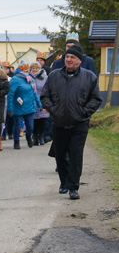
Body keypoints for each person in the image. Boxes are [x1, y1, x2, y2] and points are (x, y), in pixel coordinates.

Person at [40, 45, 102, 199]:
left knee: (75, 155)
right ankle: (64, 182)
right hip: (59, 123)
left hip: (79, 123)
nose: (68, 59)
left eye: (72, 57)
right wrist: (53, 110)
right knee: (60, 155)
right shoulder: (54, 76)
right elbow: (44, 96)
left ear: (79, 61)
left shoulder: (89, 77)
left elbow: (95, 99)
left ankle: (73, 187)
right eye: (67, 57)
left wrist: (84, 112)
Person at [7, 62, 42, 149]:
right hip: (18, 106)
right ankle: (16, 141)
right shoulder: (15, 80)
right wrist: (10, 108)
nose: (27, 71)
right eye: (25, 70)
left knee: (30, 126)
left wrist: (39, 104)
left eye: (27, 70)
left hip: (30, 106)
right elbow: (10, 95)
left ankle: (29, 137)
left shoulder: (30, 79)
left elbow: (34, 93)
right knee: (17, 125)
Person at [29, 61, 50, 145]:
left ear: (39, 68)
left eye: (36, 68)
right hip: (31, 100)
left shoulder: (45, 77)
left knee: (42, 119)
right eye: (33, 68)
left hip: (42, 99)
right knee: (33, 119)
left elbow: (49, 88)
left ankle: (41, 135)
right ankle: (34, 136)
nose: (35, 70)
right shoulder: (28, 77)